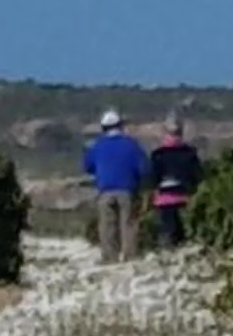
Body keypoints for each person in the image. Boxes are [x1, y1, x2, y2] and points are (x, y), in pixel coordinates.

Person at [82, 109, 148, 262]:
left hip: (105, 190)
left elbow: (87, 166)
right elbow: (144, 168)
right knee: (128, 224)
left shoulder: (97, 146)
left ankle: (109, 257)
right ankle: (129, 256)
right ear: (120, 126)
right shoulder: (131, 145)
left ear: (103, 128)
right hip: (127, 190)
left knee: (106, 226)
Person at [148, 117, 204, 248]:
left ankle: (167, 251)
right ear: (181, 133)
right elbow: (197, 175)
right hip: (185, 197)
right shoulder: (189, 153)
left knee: (167, 230)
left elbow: (154, 178)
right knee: (184, 231)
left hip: (165, 198)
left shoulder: (158, 154)